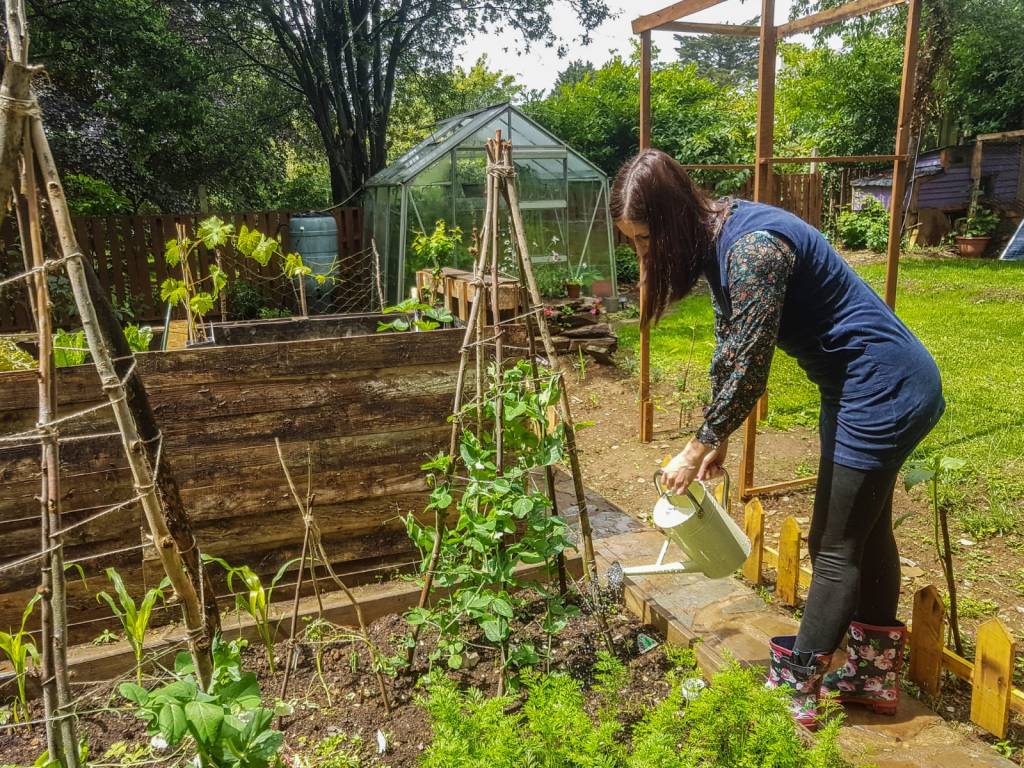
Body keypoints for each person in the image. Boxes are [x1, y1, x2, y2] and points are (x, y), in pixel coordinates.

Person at [612, 149, 944, 729]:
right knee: (864, 532)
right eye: (632, 242)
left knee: (832, 545)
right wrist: (716, 434)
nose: (642, 254)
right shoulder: (720, 236)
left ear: (671, 220)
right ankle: (870, 678)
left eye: (644, 239)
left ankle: (796, 689)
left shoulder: (753, 249)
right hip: (863, 384)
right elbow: (732, 344)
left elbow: (750, 367)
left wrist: (696, 447)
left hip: (882, 387)